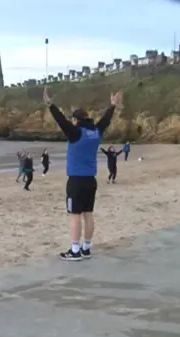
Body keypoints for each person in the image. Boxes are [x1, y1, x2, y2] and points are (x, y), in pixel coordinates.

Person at [44, 85, 122, 261]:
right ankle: (86, 248)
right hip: (90, 180)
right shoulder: (95, 131)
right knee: (88, 213)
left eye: (72, 120)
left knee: (75, 215)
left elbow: (61, 121)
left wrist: (50, 105)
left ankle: (75, 250)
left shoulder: (75, 132)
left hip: (76, 180)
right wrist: (113, 106)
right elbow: (105, 120)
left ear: (76, 120)